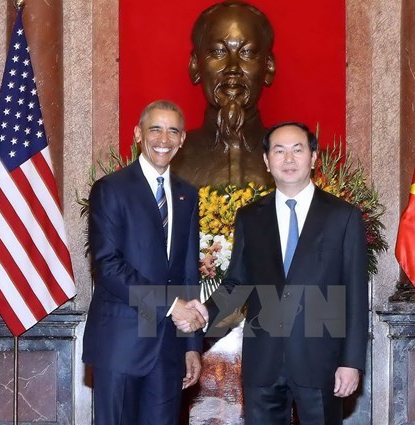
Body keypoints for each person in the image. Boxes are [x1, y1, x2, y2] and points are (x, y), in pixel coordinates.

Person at [177, 122, 369, 424]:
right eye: (279, 151)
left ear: (313, 157)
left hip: (322, 361)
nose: (288, 159)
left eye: (297, 150)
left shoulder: (343, 217)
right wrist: (204, 311)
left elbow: (356, 295)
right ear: (267, 161)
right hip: (263, 362)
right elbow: (238, 283)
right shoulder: (250, 217)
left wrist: (351, 361)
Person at [82, 100, 207, 425]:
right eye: (155, 128)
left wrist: (192, 345)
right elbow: (108, 266)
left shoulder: (187, 195)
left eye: (173, 131)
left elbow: (188, 272)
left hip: (167, 350)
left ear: (182, 140)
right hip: (120, 344)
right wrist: (170, 305)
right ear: (139, 134)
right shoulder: (111, 189)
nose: (163, 138)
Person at [171, 0, 276, 187]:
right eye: (219, 52)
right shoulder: (169, 157)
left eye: (247, 52)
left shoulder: (300, 160)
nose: (233, 68)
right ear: (195, 66)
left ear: (268, 67)